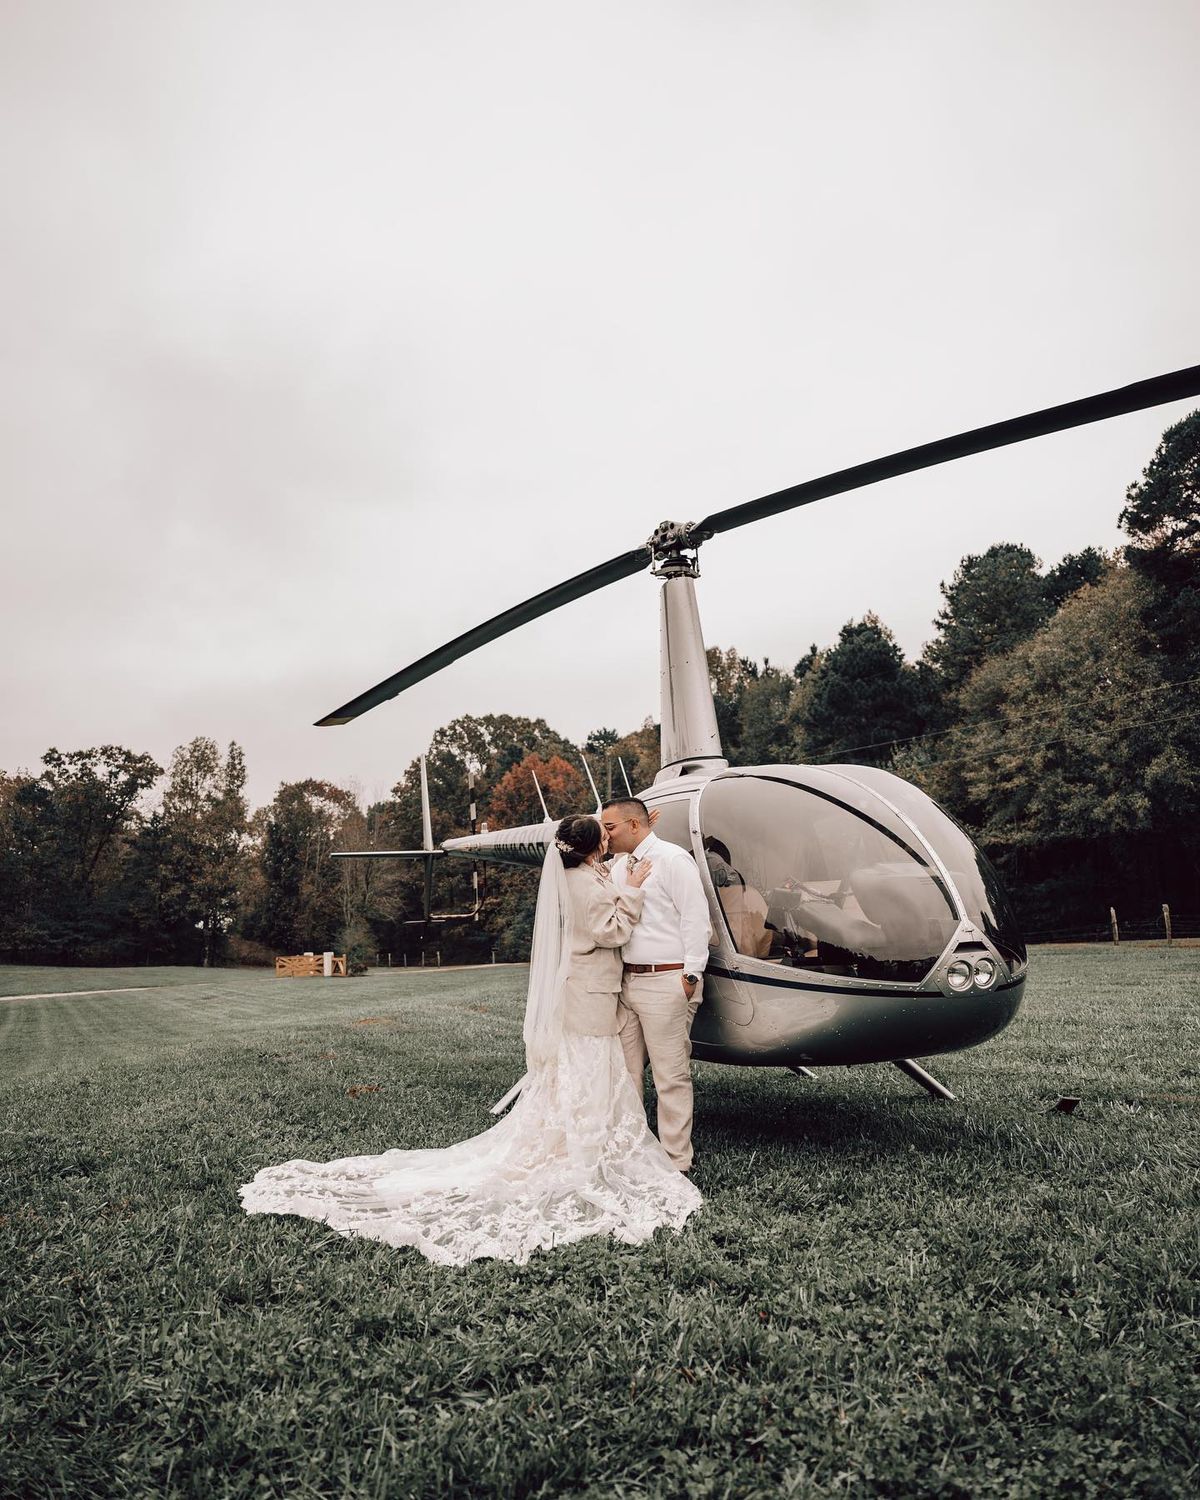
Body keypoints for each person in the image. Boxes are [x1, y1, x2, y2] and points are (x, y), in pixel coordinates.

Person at [238, 813, 701, 1266]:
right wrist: (635, 890)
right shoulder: (586, 880)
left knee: (591, 1077)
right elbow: (611, 929)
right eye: (604, 834)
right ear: (592, 847)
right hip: (591, 996)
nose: (609, 839)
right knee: (590, 1074)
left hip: (600, 993)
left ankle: (595, 1143)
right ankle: (589, 1149)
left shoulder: (586, 872)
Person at [602, 797, 711, 1173]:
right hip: (627, 982)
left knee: (670, 1075)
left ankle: (677, 1161)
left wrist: (690, 976)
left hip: (668, 979)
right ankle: (631, 1153)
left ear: (635, 825)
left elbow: (696, 919)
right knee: (625, 1074)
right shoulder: (618, 868)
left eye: (610, 827)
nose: (605, 834)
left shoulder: (673, 859)